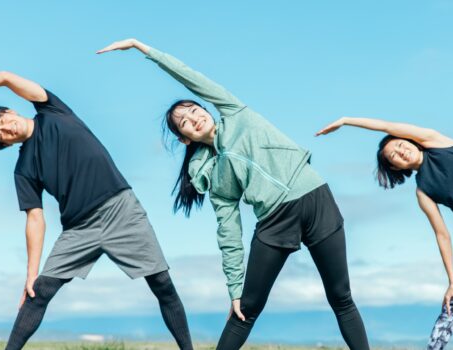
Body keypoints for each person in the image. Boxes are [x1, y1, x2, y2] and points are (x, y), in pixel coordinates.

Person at [97, 38, 371, 350]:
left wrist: (142, 48)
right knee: (245, 308)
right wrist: (234, 288)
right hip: (274, 219)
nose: (194, 118)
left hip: (316, 197)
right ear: (185, 139)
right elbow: (228, 232)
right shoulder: (213, 176)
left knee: (341, 297)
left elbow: (188, 75)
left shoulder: (235, 112)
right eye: (184, 122)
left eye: (194, 110)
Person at [0, 72, 193, 350]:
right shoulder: (24, 169)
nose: (6, 129)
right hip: (79, 229)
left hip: (121, 210)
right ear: (6, 144)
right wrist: (30, 275)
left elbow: (5, 77)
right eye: (0, 135)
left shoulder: (52, 110)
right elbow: (35, 218)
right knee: (39, 292)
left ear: (10, 110)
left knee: (162, 283)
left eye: (1, 121)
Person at [316, 117, 453, 349]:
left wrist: (346, 121)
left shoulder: (435, 141)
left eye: (401, 144)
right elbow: (442, 234)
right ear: (395, 167)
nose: (401, 152)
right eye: (394, 156)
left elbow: (386, 127)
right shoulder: (423, 191)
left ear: (410, 140)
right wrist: (452, 281)